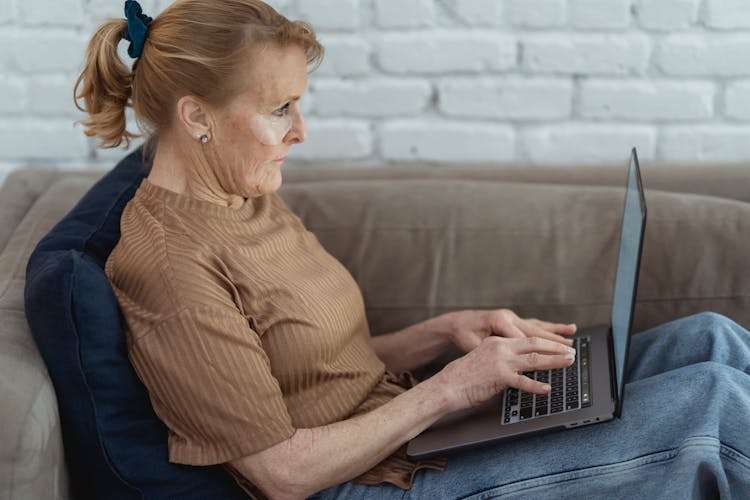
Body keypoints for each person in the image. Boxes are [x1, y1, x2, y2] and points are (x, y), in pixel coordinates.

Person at [74, 1, 750, 498]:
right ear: (196, 117)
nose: (300, 131)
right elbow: (279, 472)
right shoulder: (168, 265)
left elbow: (316, 370)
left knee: (714, 341)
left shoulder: (242, 193)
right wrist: (453, 388)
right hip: (372, 483)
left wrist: (443, 333)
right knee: (712, 405)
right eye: (280, 108)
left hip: (402, 429)